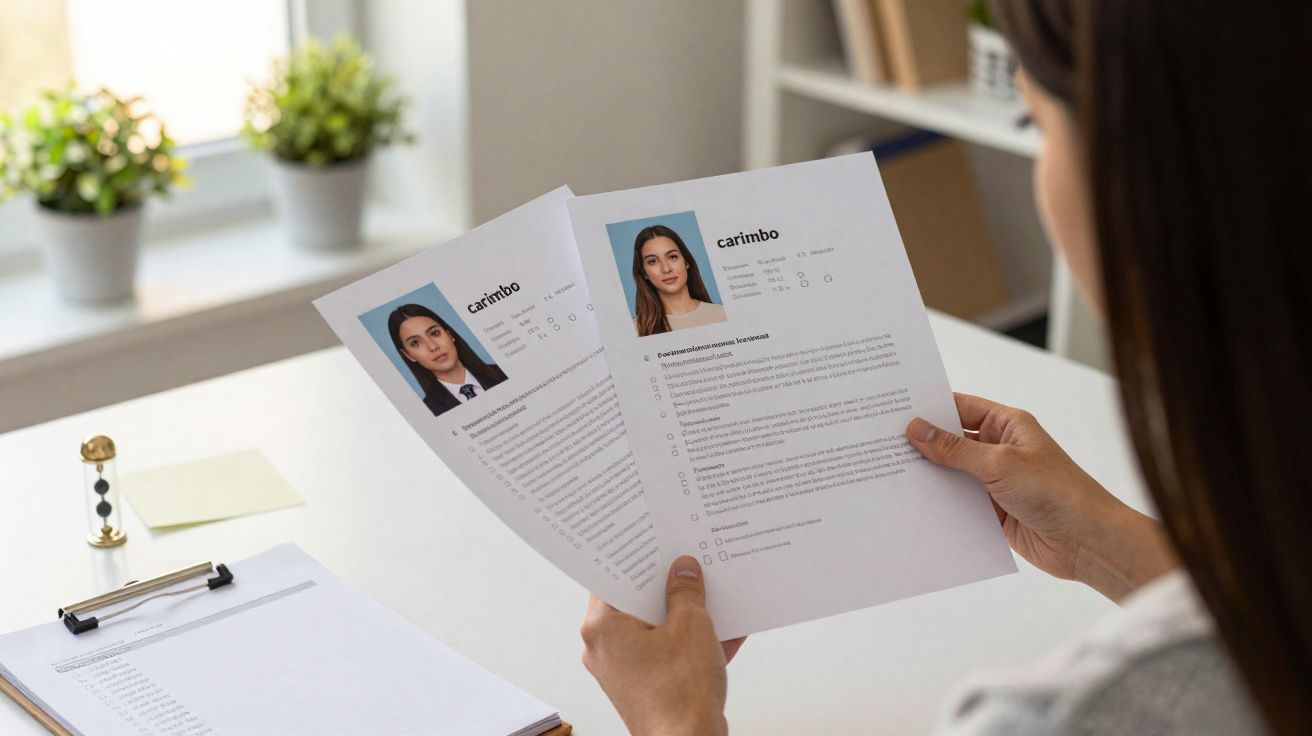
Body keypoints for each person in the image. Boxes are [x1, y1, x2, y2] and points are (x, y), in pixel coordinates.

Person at [579, 1, 1310, 734]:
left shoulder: (1071, 715)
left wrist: (675, 720)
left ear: (1145, 176)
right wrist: (1097, 538)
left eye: (1037, 123)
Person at [386, 303, 507, 418]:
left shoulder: (503, 371)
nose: (433, 347)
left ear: (449, 335)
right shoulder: (429, 412)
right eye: (415, 343)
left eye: (434, 333)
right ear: (408, 355)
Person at [630, 224, 727, 337]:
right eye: (652, 261)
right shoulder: (634, 330)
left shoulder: (723, 314)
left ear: (686, 262)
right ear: (643, 272)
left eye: (672, 257)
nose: (666, 269)